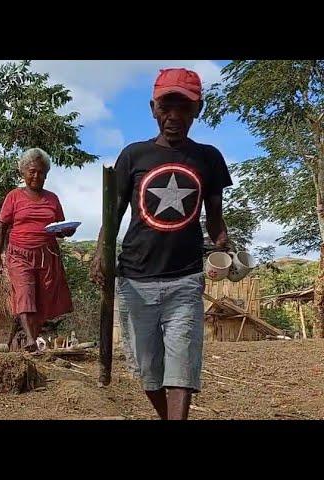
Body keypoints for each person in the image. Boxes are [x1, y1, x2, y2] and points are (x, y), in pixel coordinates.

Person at [90, 68, 232, 420]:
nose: (173, 117)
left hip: (185, 278)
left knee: (182, 365)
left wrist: (223, 243)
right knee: (148, 370)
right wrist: (99, 255)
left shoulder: (209, 157)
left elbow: (214, 214)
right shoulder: (133, 155)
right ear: (153, 108)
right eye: (166, 108)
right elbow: (115, 212)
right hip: (135, 278)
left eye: (183, 109)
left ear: (197, 111)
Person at [0, 148, 76, 352]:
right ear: (23, 172)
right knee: (24, 294)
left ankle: (33, 338)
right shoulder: (13, 197)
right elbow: (1, 226)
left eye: (41, 172)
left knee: (42, 299)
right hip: (19, 254)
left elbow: (59, 228)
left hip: (47, 257)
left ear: (46, 174)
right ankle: (31, 340)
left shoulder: (52, 199)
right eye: (32, 171)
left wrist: (66, 231)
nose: (36, 176)